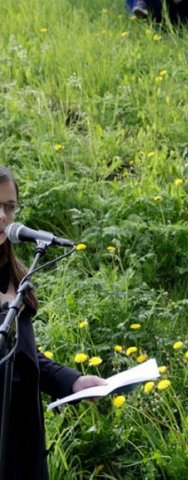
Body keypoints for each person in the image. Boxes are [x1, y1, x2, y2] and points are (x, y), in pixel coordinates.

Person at [0, 166, 106, 479]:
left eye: (9, 206)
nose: (4, 217)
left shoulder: (15, 275)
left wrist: (72, 381)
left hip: (23, 441)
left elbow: (23, 358)